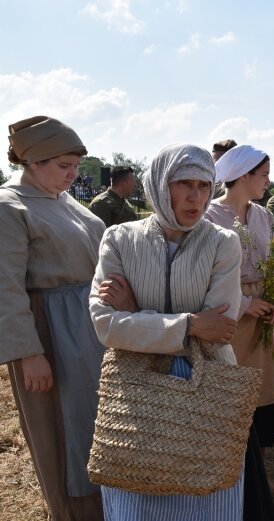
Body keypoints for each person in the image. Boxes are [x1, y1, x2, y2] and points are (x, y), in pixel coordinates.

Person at [89, 143, 247, 520]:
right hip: (135, 386)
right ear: (160, 185)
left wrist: (135, 314)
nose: (197, 197)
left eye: (204, 185)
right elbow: (105, 325)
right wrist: (190, 324)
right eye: (184, 184)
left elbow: (220, 330)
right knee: (137, 494)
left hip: (208, 384)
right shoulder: (120, 239)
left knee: (206, 493)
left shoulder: (223, 243)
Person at [0, 116, 105, 520]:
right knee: (66, 430)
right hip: (54, 333)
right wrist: (29, 353)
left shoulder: (61, 197)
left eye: (76, 166)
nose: (73, 174)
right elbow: (5, 289)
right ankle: (78, 512)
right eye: (64, 166)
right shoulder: (9, 207)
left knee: (98, 421)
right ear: (34, 162)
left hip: (90, 326)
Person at [205, 144, 274, 503]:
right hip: (229, 316)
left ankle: (259, 476)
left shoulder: (263, 216)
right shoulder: (209, 218)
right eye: (264, 175)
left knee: (264, 399)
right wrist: (245, 303)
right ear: (242, 176)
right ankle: (230, 481)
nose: (268, 182)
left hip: (263, 318)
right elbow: (202, 273)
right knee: (232, 398)